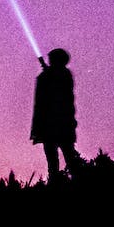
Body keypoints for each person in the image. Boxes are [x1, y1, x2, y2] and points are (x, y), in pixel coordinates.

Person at [32, 48, 83, 181]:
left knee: (68, 156)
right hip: (53, 124)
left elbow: (59, 93)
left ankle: (69, 180)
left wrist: (48, 74)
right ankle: (56, 180)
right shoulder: (55, 75)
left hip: (58, 123)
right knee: (54, 158)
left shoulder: (63, 75)